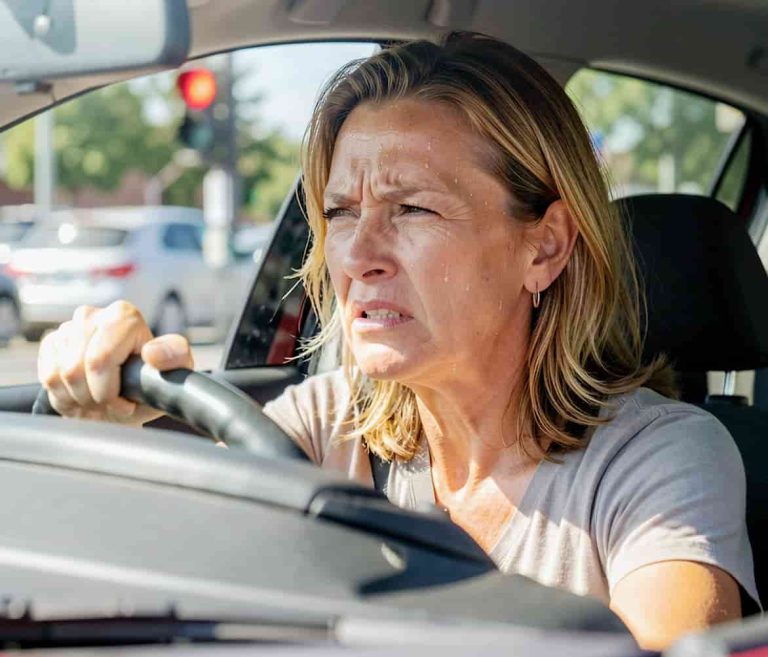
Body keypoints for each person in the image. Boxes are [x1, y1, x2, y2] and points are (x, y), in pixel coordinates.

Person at [37, 32, 757, 649]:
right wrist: (104, 406)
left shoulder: (657, 460)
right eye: (342, 212)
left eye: (411, 207)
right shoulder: (324, 426)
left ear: (545, 248)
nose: (358, 254)